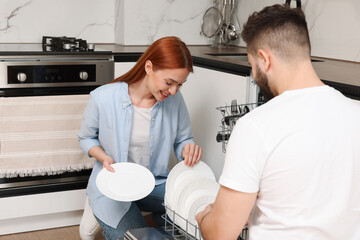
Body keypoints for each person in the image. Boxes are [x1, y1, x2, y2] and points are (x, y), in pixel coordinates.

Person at [196, 4, 360, 240]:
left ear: (264, 59)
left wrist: (204, 217)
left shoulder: (256, 127)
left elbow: (220, 234)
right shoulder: (355, 114)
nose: (254, 75)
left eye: (252, 66)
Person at [78, 36, 202, 240]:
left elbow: (183, 139)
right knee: (137, 237)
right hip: (113, 185)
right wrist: (103, 157)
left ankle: (163, 216)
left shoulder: (175, 100)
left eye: (180, 85)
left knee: (196, 210)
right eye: (169, 83)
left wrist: (187, 149)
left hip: (154, 183)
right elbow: (86, 138)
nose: (173, 91)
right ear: (149, 67)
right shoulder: (103, 97)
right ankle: (96, 205)